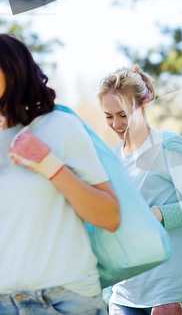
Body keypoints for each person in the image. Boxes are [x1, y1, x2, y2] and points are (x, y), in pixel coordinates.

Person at [0, 35, 121, 314]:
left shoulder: (59, 126)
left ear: (13, 68)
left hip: (63, 301)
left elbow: (110, 216)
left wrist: (48, 163)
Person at [98, 65, 182, 315]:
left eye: (123, 114)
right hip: (123, 295)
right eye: (109, 116)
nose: (116, 124)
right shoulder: (111, 158)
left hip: (168, 294)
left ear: (143, 104)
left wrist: (160, 214)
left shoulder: (168, 146)